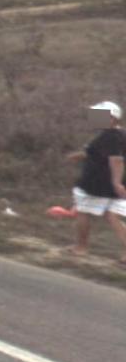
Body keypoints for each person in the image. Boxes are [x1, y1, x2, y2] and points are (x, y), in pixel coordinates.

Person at [69, 100, 126, 256]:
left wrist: (116, 182)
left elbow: (116, 160)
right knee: (112, 215)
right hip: (112, 184)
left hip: (98, 183)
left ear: (112, 118)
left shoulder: (111, 136)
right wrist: (78, 156)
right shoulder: (118, 134)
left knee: (83, 211)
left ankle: (81, 247)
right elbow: (96, 153)